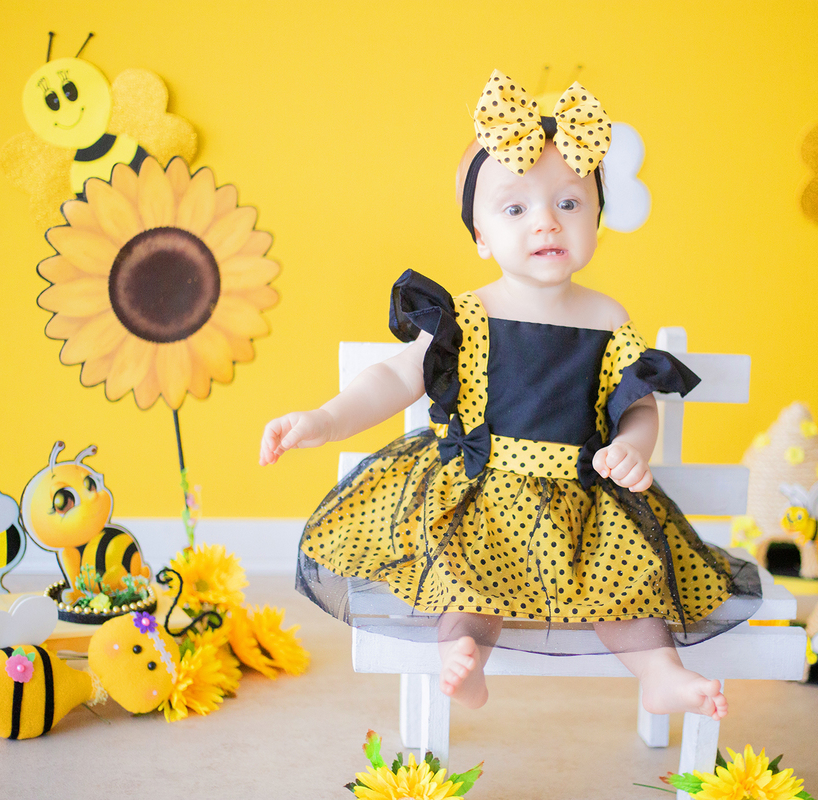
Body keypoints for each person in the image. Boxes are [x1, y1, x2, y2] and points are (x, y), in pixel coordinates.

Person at [259, 70, 759, 719]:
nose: (546, 222)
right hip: (482, 498)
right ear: (480, 235)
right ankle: (462, 660)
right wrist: (324, 419)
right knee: (466, 582)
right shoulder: (464, 316)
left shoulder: (607, 318)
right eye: (515, 208)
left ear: (598, 219)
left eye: (569, 203)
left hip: (583, 507)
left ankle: (660, 671)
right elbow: (393, 376)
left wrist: (634, 447)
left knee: (629, 588)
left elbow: (636, 401)